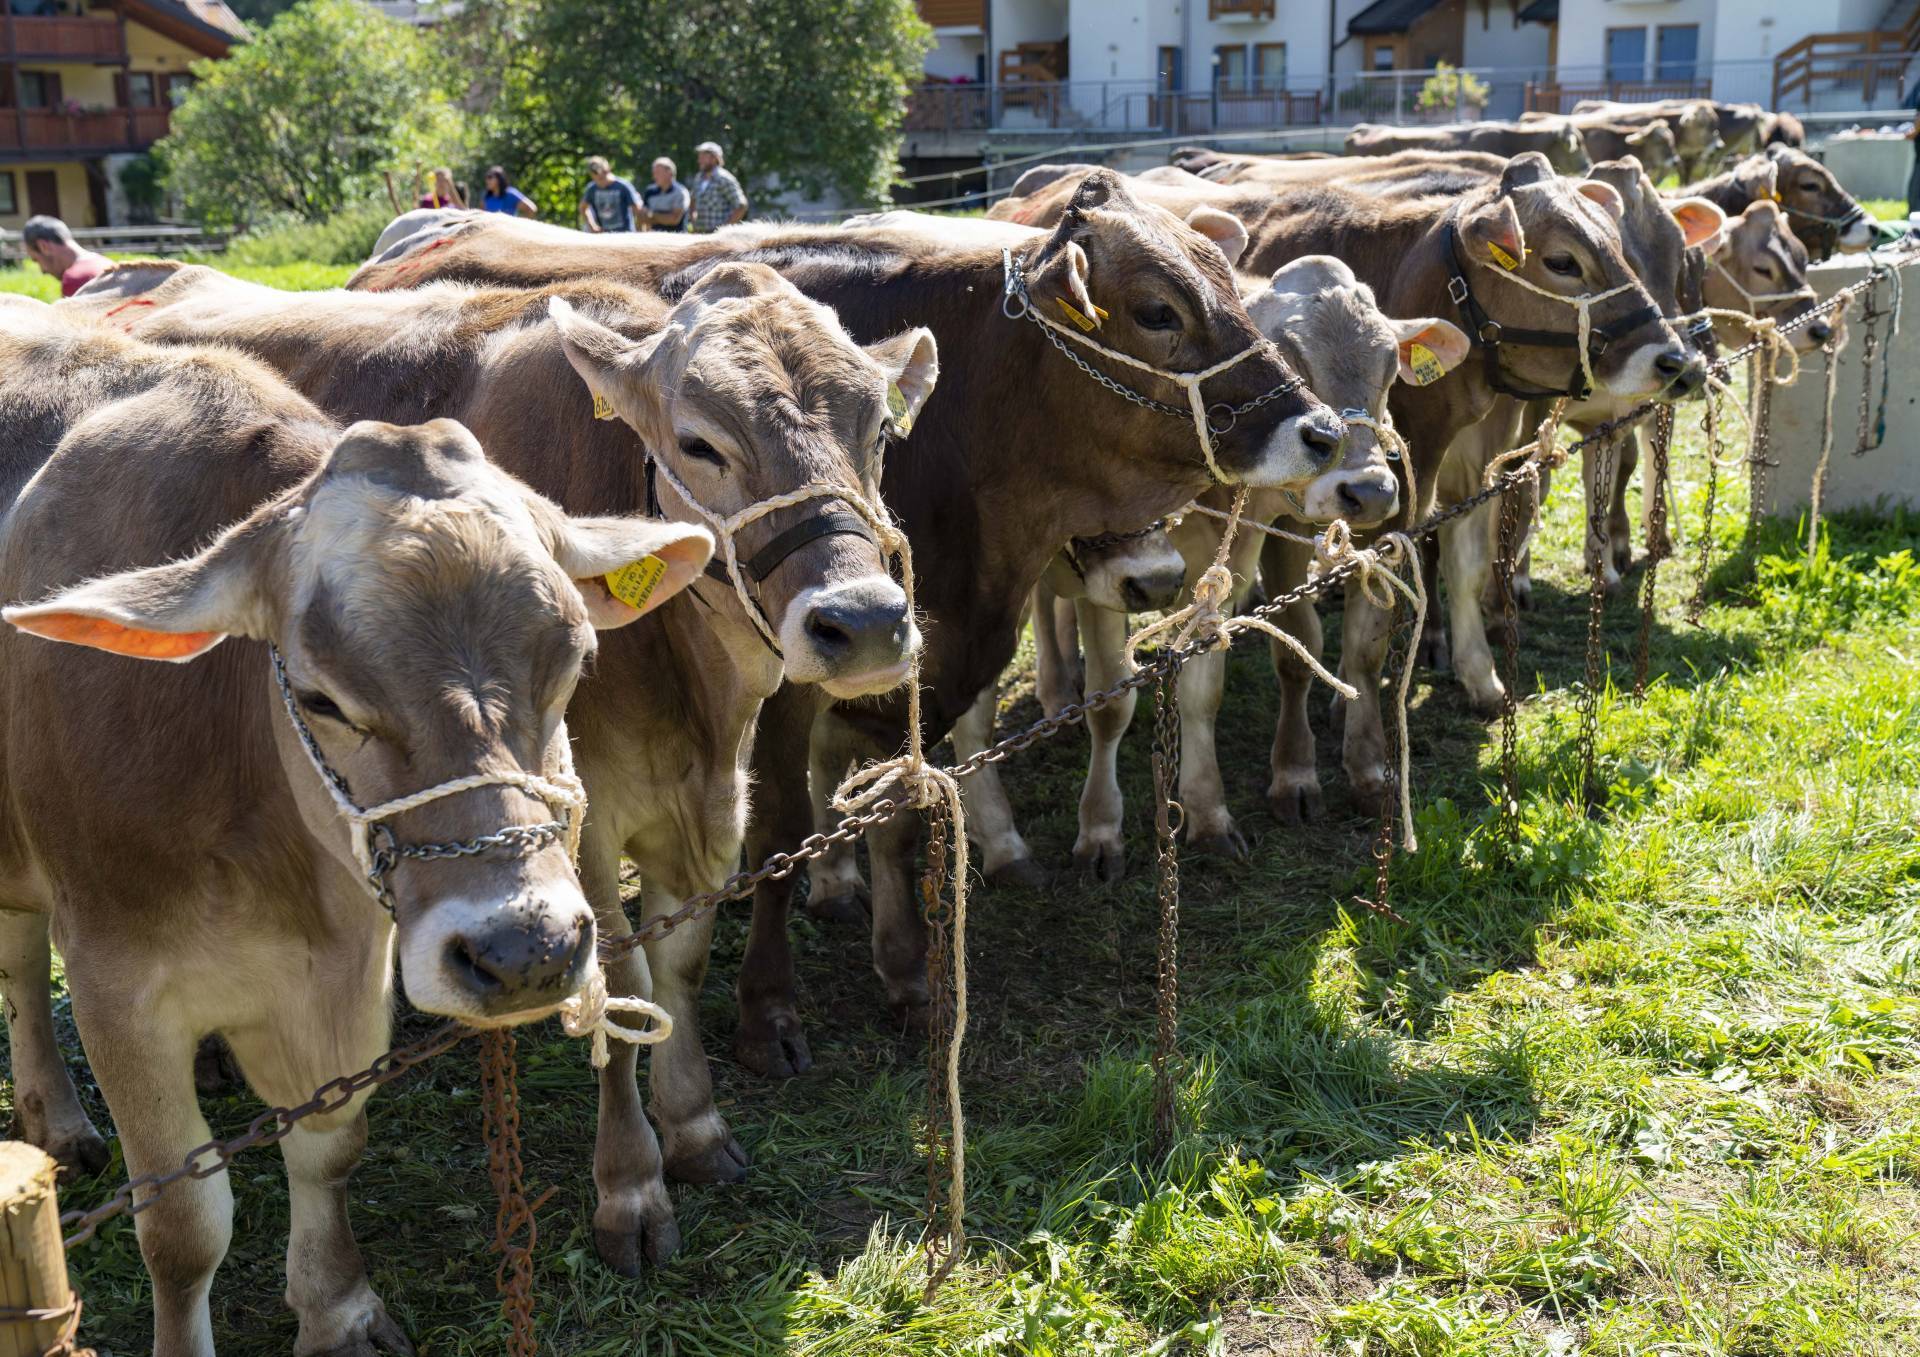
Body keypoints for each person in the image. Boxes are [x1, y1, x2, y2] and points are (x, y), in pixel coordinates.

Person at [21, 216, 109, 298]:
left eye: (36, 260)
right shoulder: (106, 262)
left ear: (44, 246)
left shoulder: (75, 278)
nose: (42, 271)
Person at [689, 141, 748, 232]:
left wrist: (725, 230)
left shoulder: (724, 179)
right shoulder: (698, 178)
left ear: (714, 158)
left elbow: (741, 205)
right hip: (699, 235)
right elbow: (693, 200)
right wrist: (693, 221)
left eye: (703, 157)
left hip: (719, 241)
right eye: (699, 156)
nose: (699, 160)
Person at [578, 155, 642, 233]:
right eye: (596, 179)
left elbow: (637, 209)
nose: (600, 182)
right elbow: (583, 207)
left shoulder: (623, 186)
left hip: (625, 235)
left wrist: (639, 230)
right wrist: (592, 226)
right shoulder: (592, 189)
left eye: (602, 178)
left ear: (607, 171)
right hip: (604, 236)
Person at [640, 156, 690, 231]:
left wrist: (652, 215)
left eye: (657, 173)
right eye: (654, 173)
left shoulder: (681, 192)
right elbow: (643, 218)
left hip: (676, 239)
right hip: (653, 238)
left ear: (669, 173)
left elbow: (674, 220)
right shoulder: (649, 191)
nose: (654, 176)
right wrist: (664, 218)